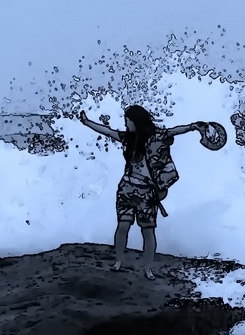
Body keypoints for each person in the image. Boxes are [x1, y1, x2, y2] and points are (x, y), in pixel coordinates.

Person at [78, 105, 214, 279]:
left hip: (147, 193)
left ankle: (148, 268)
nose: (125, 123)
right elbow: (107, 131)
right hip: (126, 189)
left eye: (127, 120)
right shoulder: (128, 138)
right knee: (122, 226)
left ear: (136, 120)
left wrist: (192, 127)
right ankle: (118, 261)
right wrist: (87, 122)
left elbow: (174, 131)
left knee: (148, 232)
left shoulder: (157, 136)